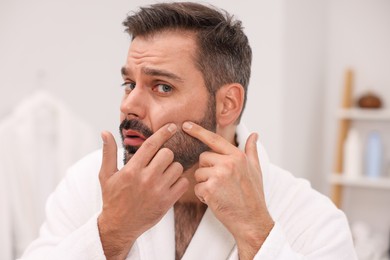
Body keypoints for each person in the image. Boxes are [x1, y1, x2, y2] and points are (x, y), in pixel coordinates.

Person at [20, 2, 357, 260]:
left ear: (227, 104)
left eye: (162, 87)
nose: (129, 105)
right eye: (128, 83)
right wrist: (111, 231)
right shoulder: (87, 186)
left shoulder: (311, 217)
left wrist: (255, 234)